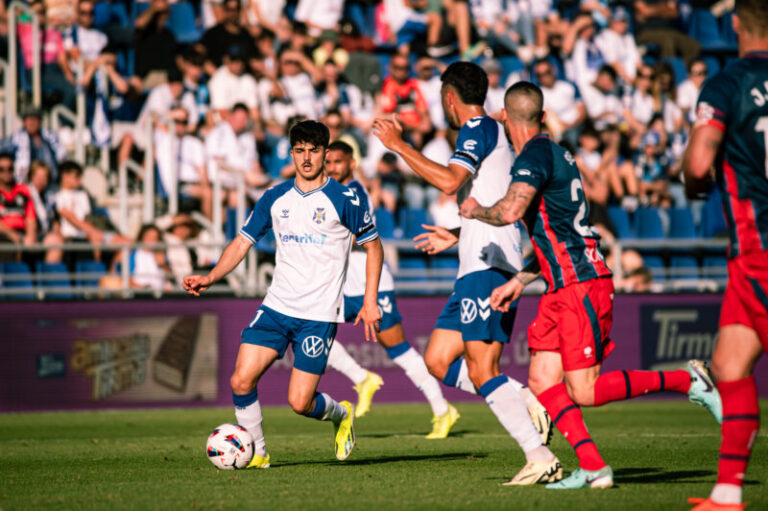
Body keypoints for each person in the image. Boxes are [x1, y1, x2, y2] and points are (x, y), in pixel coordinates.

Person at [458, 80, 723, 489]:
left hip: (580, 284)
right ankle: (594, 466)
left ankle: (687, 380)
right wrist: (519, 280)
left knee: (584, 390)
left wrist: (476, 210)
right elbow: (556, 233)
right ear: (543, 116)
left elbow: (511, 210)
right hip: (558, 284)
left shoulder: (535, 155)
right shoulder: (558, 152)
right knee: (543, 381)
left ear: (505, 118)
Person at [373, 62, 561, 486]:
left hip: (489, 267)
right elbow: (492, 199)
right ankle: (523, 397)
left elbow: (448, 182)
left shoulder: (476, 127)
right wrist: (458, 234)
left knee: (481, 368)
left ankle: (539, 454)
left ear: (449, 98)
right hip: (475, 259)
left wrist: (399, 146)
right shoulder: (490, 132)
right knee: (439, 360)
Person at [183, 120, 383, 467]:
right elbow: (243, 240)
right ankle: (258, 454)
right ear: (291, 153)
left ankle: (340, 414)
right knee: (241, 379)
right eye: (300, 151)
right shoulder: (275, 198)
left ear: (325, 154)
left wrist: (369, 301)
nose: (307, 158)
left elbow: (374, 247)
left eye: (314, 151)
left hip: (318, 315)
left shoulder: (344, 198)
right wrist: (212, 276)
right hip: (276, 307)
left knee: (300, 403)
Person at [682, 1, 768, 508]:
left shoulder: (726, 83)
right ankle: (726, 494)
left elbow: (698, 162)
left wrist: (694, 181)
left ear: (734, 23)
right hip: (749, 256)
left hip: (760, 244)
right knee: (729, 365)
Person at [323, 140, 458, 437]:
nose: (332, 167)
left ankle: (442, 409)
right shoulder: (326, 193)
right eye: (328, 162)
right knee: (313, 331)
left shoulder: (354, 191)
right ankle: (361, 378)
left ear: (352, 164)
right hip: (343, 281)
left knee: (398, 349)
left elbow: (361, 237)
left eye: (338, 162)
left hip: (370, 279)